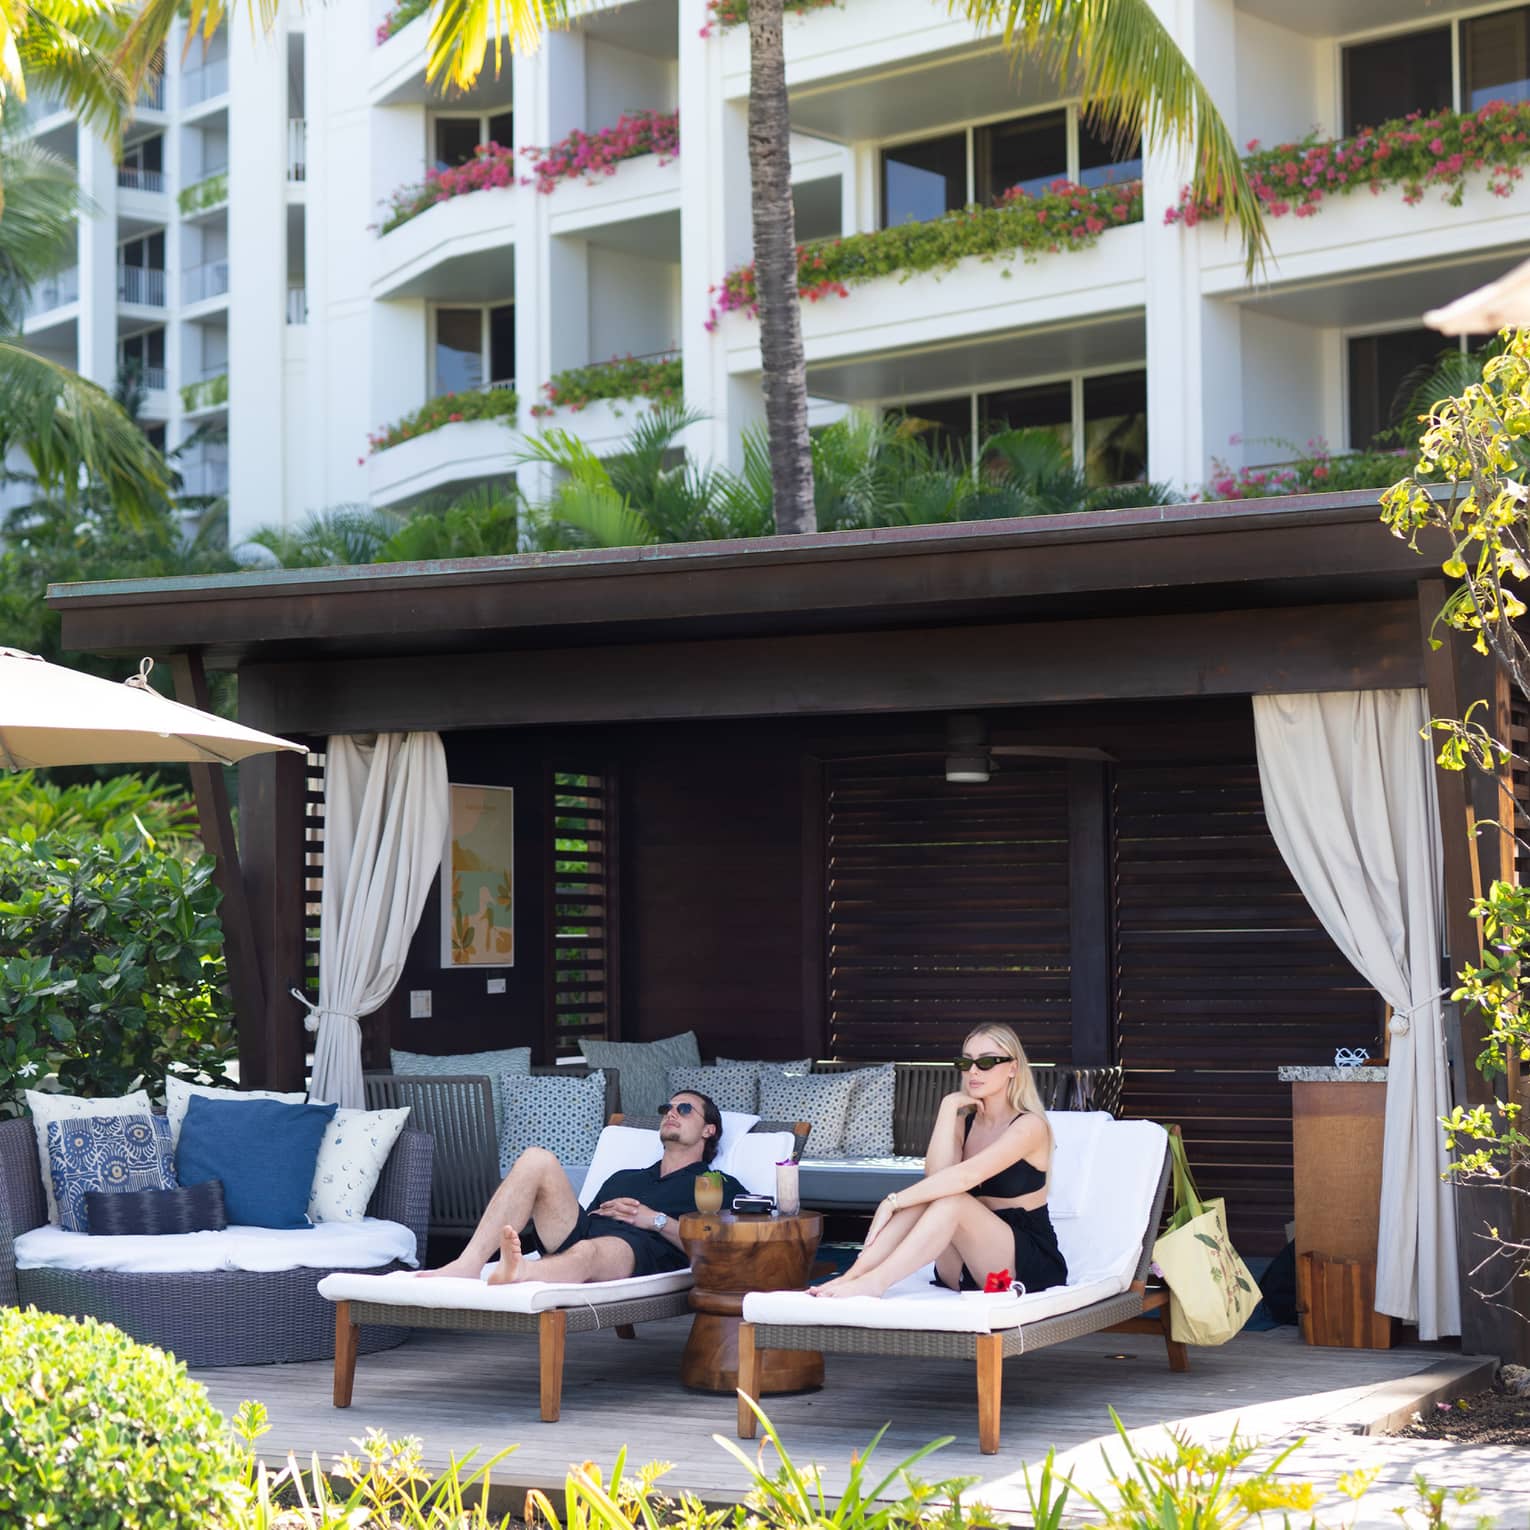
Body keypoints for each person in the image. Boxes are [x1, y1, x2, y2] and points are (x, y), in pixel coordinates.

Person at [811, 1025, 1066, 1299]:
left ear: (1013, 1068)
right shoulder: (962, 1123)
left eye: (987, 1061)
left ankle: (875, 1283)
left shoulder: (1029, 1126)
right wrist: (947, 1106)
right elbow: (936, 1178)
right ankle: (852, 1276)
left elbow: (966, 1177)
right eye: (965, 1062)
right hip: (962, 1265)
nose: (974, 1071)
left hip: (1023, 1263)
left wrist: (893, 1201)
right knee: (935, 1194)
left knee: (952, 1199)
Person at [419, 1089, 746, 1286]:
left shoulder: (716, 1185)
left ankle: (523, 1271)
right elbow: (586, 1220)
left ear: (708, 1130)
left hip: (635, 1250)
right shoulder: (624, 1176)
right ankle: (468, 1264)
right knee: (537, 1158)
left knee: (590, 1250)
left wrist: (654, 1220)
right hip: (583, 1234)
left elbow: (717, 1246)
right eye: (667, 1109)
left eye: (685, 1109)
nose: (671, 1113)